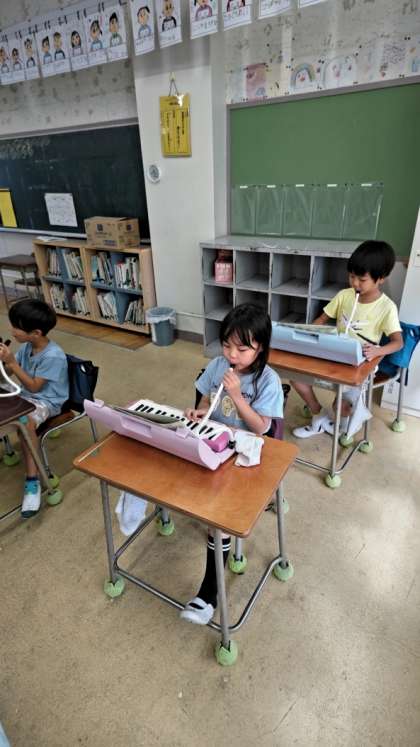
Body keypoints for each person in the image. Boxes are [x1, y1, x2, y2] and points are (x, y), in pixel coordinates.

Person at [180, 303, 283, 625]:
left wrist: (238, 396)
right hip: (217, 445)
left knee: (220, 519)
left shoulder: (268, 381)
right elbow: (206, 399)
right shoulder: (217, 365)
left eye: (242, 348)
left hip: (246, 454)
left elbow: (262, 428)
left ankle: (208, 596)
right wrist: (200, 411)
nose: (232, 354)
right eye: (227, 345)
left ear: (260, 347)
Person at [291, 240, 403, 439]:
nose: (355, 283)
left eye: (362, 279)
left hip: (359, 364)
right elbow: (321, 320)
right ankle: (318, 413)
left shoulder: (387, 308)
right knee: (296, 377)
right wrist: (310, 334)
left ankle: (343, 420)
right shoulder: (344, 295)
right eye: (351, 276)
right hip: (333, 355)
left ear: (381, 279)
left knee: (342, 408)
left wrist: (378, 350)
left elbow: (398, 342)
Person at [0, 299, 69, 518]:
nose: (12, 331)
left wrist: (12, 363)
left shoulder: (53, 355)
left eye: (16, 327)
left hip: (46, 401)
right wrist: (4, 364)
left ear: (36, 333)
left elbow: (33, 386)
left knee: (25, 422)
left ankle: (33, 481)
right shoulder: (26, 347)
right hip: (26, 395)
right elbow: (10, 375)